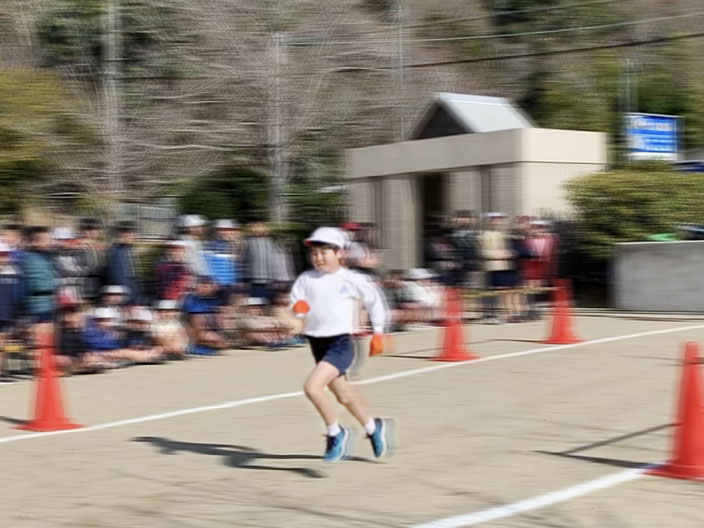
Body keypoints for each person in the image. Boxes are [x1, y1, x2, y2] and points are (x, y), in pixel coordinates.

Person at [290, 226, 395, 463]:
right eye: (315, 253)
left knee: (312, 387)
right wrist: (297, 309)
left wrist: (378, 333)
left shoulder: (351, 279)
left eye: (324, 252)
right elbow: (296, 302)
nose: (318, 257)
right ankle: (373, 427)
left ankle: (336, 432)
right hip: (316, 342)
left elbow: (375, 302)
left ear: (339, 253)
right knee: (344, 396)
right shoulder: (306, 279)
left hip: (341, 343)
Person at [104, 221, 141, 305]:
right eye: (125, 232)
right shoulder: (115, 252)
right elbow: (115, 277)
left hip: (132, 298)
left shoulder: (130, 250)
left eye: (131, 232)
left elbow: (134, 278)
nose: (129, 235)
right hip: (122, 299)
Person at [0, 243, 22, 378]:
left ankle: (3, 370)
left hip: (7, 314)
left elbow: (17, 295)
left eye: (5, 255)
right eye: (1, 255)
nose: (3, 258)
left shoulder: (13, 272)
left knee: (4, 342)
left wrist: (16, 314)